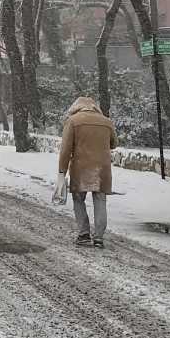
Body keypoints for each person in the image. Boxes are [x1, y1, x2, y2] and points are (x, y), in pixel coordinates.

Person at [58, 96, 117, 248]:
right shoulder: (106, 122)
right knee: (100, 201)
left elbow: (65, 150)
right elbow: (114, 144)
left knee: (78, 200)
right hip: (102, 170)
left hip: (80, 168)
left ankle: (84, 234)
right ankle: (98, 238)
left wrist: (61, 172)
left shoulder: (73, 121)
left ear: (76, 107)